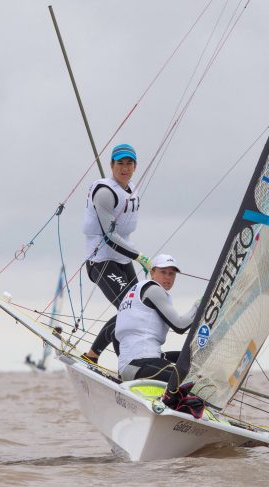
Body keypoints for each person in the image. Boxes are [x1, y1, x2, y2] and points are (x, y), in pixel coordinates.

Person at [81, 143, 153, 364]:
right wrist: (140, 257)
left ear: (135, 166)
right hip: (101, 260)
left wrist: (133, 256)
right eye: (120, 163)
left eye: (129, 163)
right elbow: (109, 236)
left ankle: (127, 362)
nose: (125, 168)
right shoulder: (104, 193)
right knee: (128, 310)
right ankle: (93, 356)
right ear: (111, 165)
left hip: (122, 258)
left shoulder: (131, 188)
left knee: (138, 311)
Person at [115, 254, 200, 382]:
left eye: (171, 274)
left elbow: (113, 334)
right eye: (163, 272)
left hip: (130, 366)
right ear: (152, 273)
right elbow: (180, 325)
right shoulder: (153, 289)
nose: (167, 277)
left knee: (193, 358)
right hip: (141, 364)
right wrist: (199, 305)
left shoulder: (134, 294)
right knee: (191, 379)